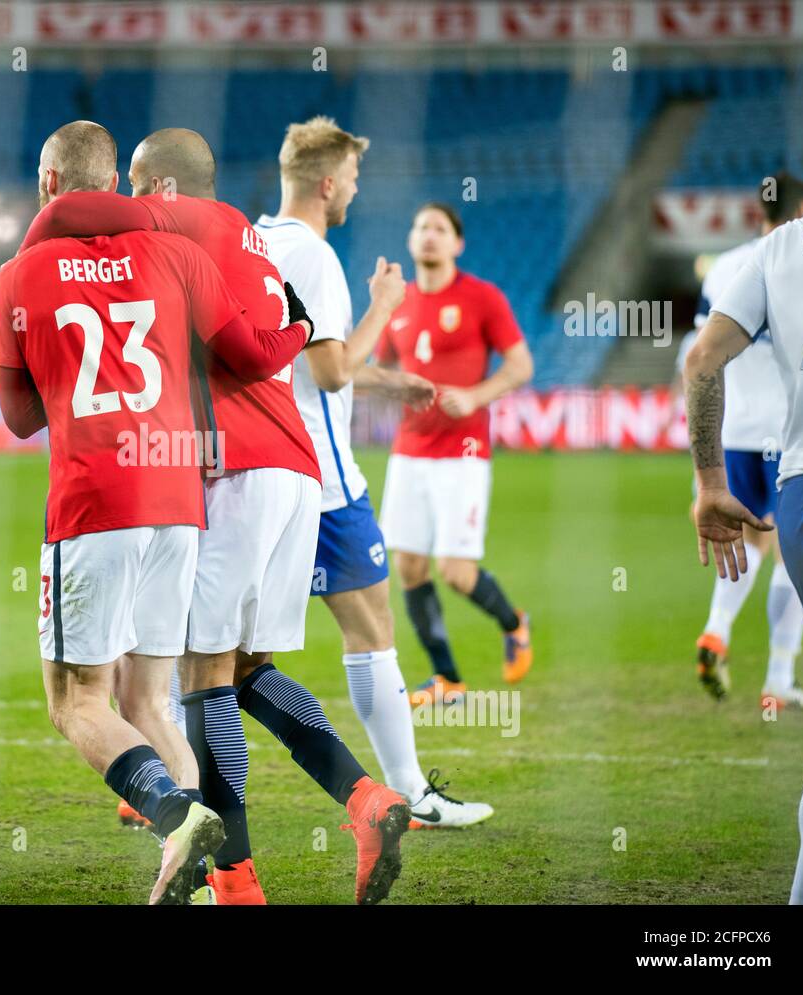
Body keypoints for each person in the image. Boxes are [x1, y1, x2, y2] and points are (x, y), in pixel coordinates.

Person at [20, 126, 416, 905]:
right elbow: (278, 337)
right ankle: (368, 801)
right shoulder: (241, 229)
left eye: (136, 185)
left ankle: (234, 881)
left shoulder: (171, 227)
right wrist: (297, 329)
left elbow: (87, 227)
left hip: (233, 467)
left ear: (163, 190)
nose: (125, 202)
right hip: (294, 467)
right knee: (245, 671)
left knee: (203, 682)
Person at [0, 120, 312, 904]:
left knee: (77, 703)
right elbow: (248, 350)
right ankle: (221, 887)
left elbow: (19, 416)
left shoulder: (19, 275)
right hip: (179, 500)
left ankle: (178, 816)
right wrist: (299, 325)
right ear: (117, 181)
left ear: (48, 183)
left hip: (95, 498)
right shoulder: (179, 254)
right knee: (149, 702)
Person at [256, 118, 494, 829]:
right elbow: (329, 371)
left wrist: (391, 382)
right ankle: (410, 794)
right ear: (328, 183)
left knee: (225, 654)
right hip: (324, 484)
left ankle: (156, 781)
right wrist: (385, 305)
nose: (356, 191)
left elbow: (300, 363)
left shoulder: (253, 240)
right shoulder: (318, 258)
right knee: (372, 630)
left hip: (252, 475)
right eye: (354, 180)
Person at [683, 201, 803, 905]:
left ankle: (728, 634)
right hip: (790, 441)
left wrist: (706, 482)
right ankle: (778, 672)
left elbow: (700, 358)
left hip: (780, 458)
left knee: (765, 543)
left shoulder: (760, 257)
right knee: (765, 549)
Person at [375, 202, 534, 706]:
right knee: (409, 570)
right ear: (410, 240)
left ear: (457, 243)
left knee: (456, 573)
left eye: (440, 228)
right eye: (421, 226)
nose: (429, 235)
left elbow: (520, 365)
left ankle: (514, 622)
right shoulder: (396, 304)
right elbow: (379, 372)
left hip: (463, 451)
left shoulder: (482, 297)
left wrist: (476, 397)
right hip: (409, 451)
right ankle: (448, 679)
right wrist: (393, 386)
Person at [678, 173, 803, 709]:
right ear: (802, 206)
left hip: (732, 428)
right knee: (787, 550)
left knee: (748, 539)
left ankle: (716, 628)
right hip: (794, 431)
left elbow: (702, 351)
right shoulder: (802, 251)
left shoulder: (731, 264)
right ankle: (778, 679)